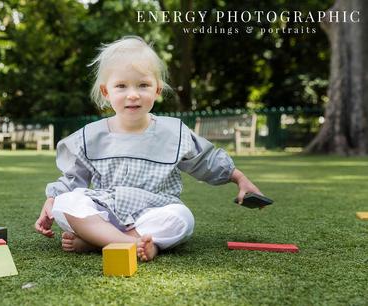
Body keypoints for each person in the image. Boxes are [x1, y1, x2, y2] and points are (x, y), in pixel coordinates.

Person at [35, 36, 263, 261]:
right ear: (107, 92)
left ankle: (97, 242)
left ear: (157, 90)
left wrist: (239, 178)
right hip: (106, 212)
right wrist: (52, 200)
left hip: (154, 210)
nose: (132, 94)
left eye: (143, 85)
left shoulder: (173, 132)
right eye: (121, 86)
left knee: (182, 218)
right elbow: (74, 178)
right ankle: (133, 244)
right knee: (67, 202)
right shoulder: (90, 136)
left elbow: (206, 161)